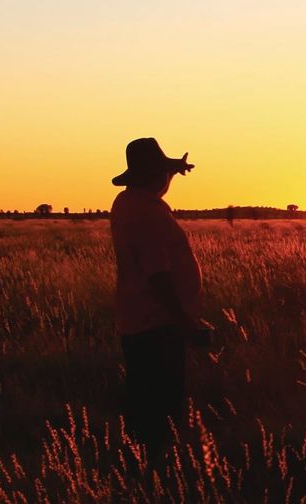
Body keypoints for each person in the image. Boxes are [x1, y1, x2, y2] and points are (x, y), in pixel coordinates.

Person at [109, 137, 210, 452]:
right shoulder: (148, 215)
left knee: (143, 409)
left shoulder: (126, 203)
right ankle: (156, 476)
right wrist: (186, 324)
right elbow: (159, 277)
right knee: (161, 418)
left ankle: (141, 472)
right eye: (163, 172)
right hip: (158, 329)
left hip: (139, 324)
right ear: (155, 175)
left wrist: (173, 167)